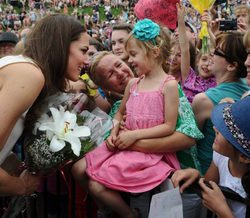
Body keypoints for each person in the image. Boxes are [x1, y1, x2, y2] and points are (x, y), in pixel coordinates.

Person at [72, 19, 203, 217]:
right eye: (110, 74)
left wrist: (132, 139)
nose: (121, 71)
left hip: (173, 180)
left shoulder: (166, 86)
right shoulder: (130, 91)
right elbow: (117, 116)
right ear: (104, 86)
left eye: (119, 63)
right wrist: (116, 132)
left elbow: (185, 136)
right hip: (130, 180)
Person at [0, 14, 90, 196]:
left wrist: (14, 165)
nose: (86, 60)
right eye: (83, 50)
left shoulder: (22, 67)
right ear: (62, 45)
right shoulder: (29, 74)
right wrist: (19, 186)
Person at [172, 95, 250, 218]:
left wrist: (223, 211)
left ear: (244, 157)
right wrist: (197, 177)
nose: (215, 128)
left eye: (226, 132)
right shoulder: (221, 157)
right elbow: (209, 184)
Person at [192, 31, 249, 175]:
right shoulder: (246, 87)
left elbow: (191, 144)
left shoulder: (204, 100)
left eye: (217, 51)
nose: (212, 54)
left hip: (207, 174)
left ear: (231, 66)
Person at [170, 3, 216, 104]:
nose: (207, 64)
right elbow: (184, 49)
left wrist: (209, 29)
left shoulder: (218, 83)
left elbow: (219, 51)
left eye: (212, 62)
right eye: (204, 59)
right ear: (197, 61)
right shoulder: (189, 77)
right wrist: (180, 20)